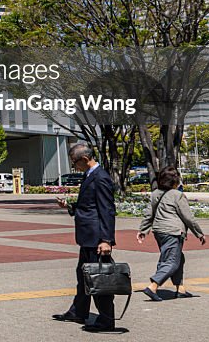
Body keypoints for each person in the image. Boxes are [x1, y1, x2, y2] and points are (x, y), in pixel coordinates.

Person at [53, 143, 117, 333]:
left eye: (74, 162)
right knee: (83, 276)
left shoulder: (100, 177)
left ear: (84, 159)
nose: (74, 166)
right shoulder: (89, 175)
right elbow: (89, 207)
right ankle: (78, 311)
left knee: (98, 279)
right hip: (87, 237)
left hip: (97, 239)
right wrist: (69, 206)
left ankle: (106, 321)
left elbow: (107, 210)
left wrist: (106, 240)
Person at [137, 166, 206, 301]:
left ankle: (180, 289)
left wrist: (143, 230)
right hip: (172, 232)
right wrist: (199, 233)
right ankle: (153, 286)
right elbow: (188, 217)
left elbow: (149, 214)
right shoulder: (177, 195)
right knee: (171, 261)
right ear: (175, 181)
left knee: (177, 258)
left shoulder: (155, 193)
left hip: (159, 231)